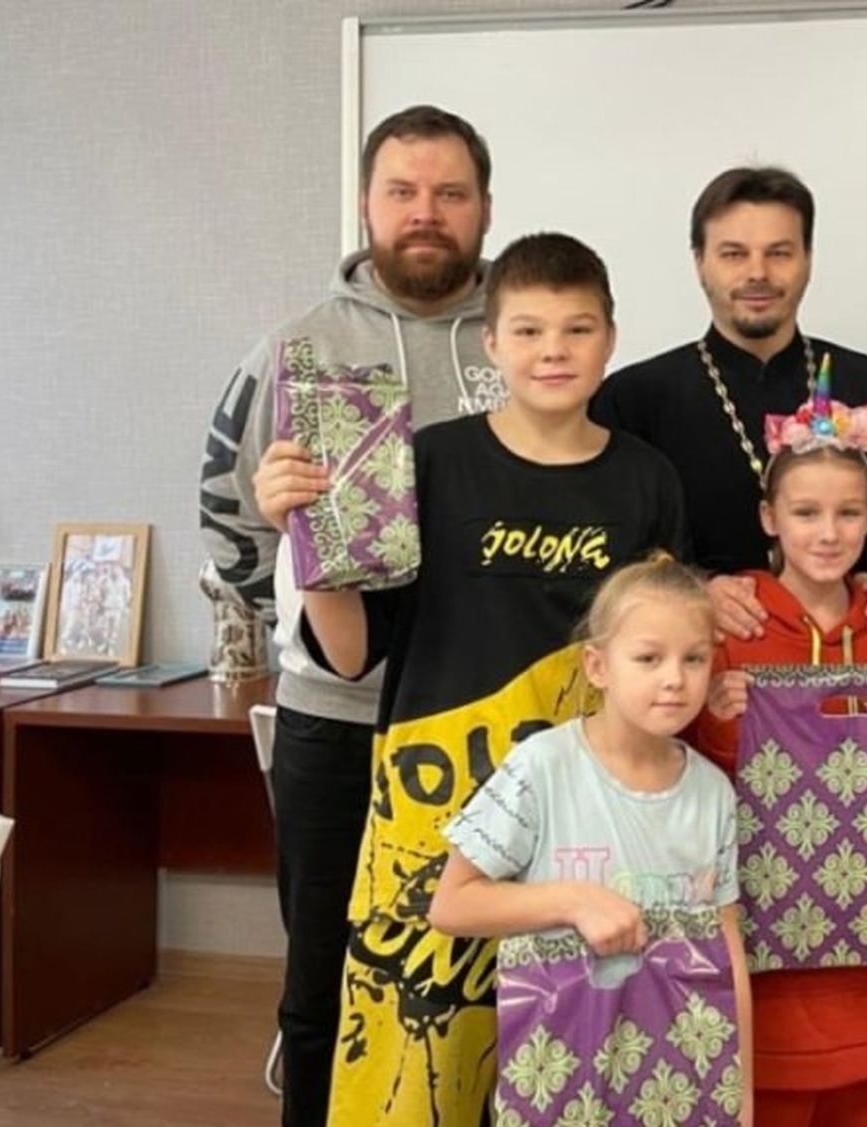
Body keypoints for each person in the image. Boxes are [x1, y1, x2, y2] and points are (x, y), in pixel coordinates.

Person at [273, 233, 689, 1125]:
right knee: (417, 1066)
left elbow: (664, 655)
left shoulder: (648, 478)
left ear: (611, 339)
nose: (553, 350)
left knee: (571, 1066)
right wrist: (310, 542)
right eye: (528, 330)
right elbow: (350, 653)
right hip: (433, 808)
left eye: (577, 329)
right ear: (490, 342)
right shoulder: (427, 462)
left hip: (589, 813)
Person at [196, 104, 502, 1127]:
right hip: (336, 722)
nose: (426, 212)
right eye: (402, 191)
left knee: (489, 981)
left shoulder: (527, 338)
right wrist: (309, 625)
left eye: (450, 193)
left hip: (494, 725)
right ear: (366, 204)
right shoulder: (293, 349)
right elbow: (227, 522)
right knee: (324, 979)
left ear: (485, 207)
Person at [687, 408, 867, 1127]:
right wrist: (718, 722)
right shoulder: (729, 626)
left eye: (848, 513)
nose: (828, 532)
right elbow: (684, 790)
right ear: (769, 517)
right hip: (761, 984)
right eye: (806, 512)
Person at [430, 556, 754, 1126]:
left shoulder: (712, 794)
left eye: (694, 658)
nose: (675, 679)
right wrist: (574, 900)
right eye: (649, 658)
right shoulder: (542, 768)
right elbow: (452, 905)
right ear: (598, 666)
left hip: (680, 1082)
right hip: (561, 1077)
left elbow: (727, 949)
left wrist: (741, 1088)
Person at [593, 165, 867, 639]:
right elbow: (603, 546)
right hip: (686, 660)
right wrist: (690, 588)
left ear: (808, 259)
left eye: (779, 253)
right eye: (733, 254)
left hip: (853, 656)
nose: (757, 273)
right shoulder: (633, 400)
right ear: (700, 262)